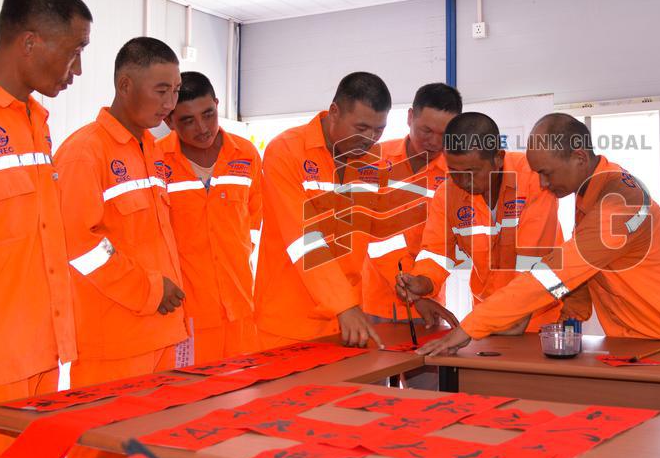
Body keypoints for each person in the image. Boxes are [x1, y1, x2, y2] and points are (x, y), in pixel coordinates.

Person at [416, 113, 660, 356]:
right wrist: (569, 318)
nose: (543, 184)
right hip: (634, 343)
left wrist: (469, 328)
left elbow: (555, 273)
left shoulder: (618, 204)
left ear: (579, 158)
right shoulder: (590, 193)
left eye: (547, 173)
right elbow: (585, 273)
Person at [55, 37, 187, 458]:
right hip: (113, 342)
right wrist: (151, 291)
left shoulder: (151, 150)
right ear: (124, 84)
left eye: (175, 90)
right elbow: (80, 244)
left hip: (158, 336)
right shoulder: (84, 152)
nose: (171, 104)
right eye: (162, 90)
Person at [0, 0, 89, 458]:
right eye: (73, 54)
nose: (75, 72)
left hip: (44, 360)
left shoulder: (35, 122)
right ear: (29, 43)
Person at [254, 72, 393, 349]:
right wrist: (344, 305)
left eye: (379, 130)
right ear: (334, 112)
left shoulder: (374, 163)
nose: (370, 138)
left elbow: (379, 236)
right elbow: (302, 239)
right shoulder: (286, 152)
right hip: (290, 323)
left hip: (349, 322)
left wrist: (417, 288)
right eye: (362, 127)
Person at [397, 112, 566, 336]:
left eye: (472, 173)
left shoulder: (534, 181)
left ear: (498, 158)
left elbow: (533, 260)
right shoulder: (447, 193)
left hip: (539, 317)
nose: (464, 182)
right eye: (455, 172)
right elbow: (436, 253)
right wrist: (423, 281)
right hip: (488, 315)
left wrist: (515, 311)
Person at [158, 71, 262, 363]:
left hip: (241, 309)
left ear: (217, 104)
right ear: (168, 121)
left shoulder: (247, 155)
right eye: (187, 120)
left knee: (246, 398)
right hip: (185, 314)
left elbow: (253, 223)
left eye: (209, 114)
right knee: (190, 399)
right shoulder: (154, 162)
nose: (202, 128)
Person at [361, 82, 461, 328]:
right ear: (410, 117)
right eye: (426, 130)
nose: (434, 142)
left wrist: (422, 288)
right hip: (373, 304)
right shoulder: (371, 162)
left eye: (444, 134)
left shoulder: (458, 175)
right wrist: (412, 292)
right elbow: (369, 235)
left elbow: (448, 247)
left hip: (429, 302)